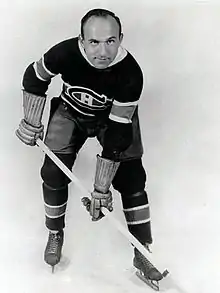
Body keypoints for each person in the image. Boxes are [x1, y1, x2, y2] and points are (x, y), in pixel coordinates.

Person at [16, 8, 163, 281]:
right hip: (70, 113)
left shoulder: (131, 73)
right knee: (52, 173)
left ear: (121, 38)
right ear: (81, 41)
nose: (103, 51)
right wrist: (31, 121)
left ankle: (142, 250)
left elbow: (119, 134)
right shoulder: (64, 53)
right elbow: (34, 77)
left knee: (132, 180)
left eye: (110, 41)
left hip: (113, 121)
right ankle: (54, 232)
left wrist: (100, 189)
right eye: (94, 42)